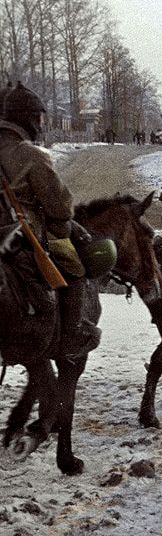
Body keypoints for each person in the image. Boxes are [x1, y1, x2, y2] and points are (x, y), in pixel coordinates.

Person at [0, 82, 99, 356]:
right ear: (29, 118)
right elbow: (60, 206)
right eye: (40, 118)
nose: (42, 124)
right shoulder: (30, 154)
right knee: (75, 267)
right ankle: (71, 335)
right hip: (23, 234)